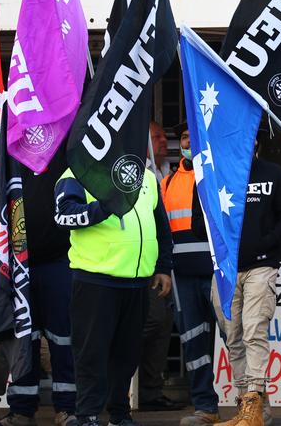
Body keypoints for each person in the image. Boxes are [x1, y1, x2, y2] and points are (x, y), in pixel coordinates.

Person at [54, 164, 173, 426]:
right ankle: (88, 415)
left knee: (127, 354)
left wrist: (163, 266)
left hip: (138, 281)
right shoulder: (77, 173)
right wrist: (105, 207)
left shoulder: (147, 176)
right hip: (96, 279)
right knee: (91, 354)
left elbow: (160, 224)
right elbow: (63, 217)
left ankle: (119, 414)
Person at [192, 140, 281, 426]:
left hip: (261, 266)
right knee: (233, 337)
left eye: (251, 138)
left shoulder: (273, 173)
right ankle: (250, 410)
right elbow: (197, 220)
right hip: (225, 270)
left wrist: (266, 243)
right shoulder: (212, 174)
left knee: (254, 330)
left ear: (256, 142)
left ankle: (254, 402)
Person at [0, 150, 78, 426]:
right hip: (17, 265)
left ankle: (67, 408)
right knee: (23, 338)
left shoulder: (63, 150)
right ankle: (21, 410)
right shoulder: (6, 156)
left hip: (59, 261)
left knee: (63, 339)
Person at [161, 123, 220, 426]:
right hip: (182, 276)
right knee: (194, 344)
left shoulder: (218, 171)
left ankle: (250, 404)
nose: (188, 141)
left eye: (192, 136)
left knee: (234, 339)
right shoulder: (168, 181)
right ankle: (205, 407)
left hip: (217, 273)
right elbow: (161, 231)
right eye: (184, 137)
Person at [140, 120, 181, 412]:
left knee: (163, 322)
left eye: (165, 137)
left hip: (164, 265)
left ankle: (149, 391)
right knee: (148, 322)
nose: (164, 142)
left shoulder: (170, 173)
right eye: (157, 137)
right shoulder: (133, 172)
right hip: (131, 267)